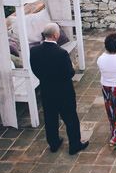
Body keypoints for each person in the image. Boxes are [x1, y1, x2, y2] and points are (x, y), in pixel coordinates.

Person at [30, 23, 88, 155]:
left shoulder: (34, 51)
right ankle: (74, 145)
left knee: (50, 118)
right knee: (71, 119)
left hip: (46, 91)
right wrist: (72, 67)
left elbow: (35, 69)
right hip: (63, 92)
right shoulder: (61, 53)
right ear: (56, 35)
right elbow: (69, 74)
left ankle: (54, 143)